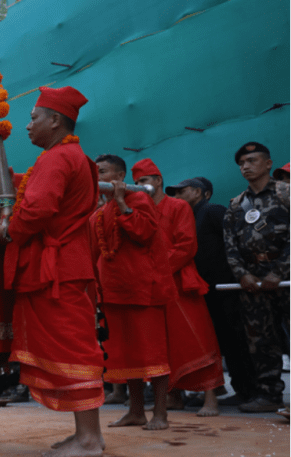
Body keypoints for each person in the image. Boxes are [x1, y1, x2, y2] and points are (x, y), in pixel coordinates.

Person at [0, 87, 104, 456]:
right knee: (71, 345)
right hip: (66, 263)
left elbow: (37, 211)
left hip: (58, 269)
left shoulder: (57, 158)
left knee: (73, 347)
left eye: (34, 117)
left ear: (55, 120)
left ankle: (89, 438)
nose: (27, 126)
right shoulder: (73, 156)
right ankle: (84, 434)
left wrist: (7, 231)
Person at [133, 159, 224, 417]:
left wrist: (156, 269)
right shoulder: (139, 210)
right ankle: (173, 397)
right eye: (137, 182)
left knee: (198, 338)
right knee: (163, 343)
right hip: (152, 284)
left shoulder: (178, 206)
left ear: (158, 180)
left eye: (145, 181)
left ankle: (211, 400)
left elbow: (187, 246)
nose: (141, 186)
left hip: (180, 281)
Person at [91, 155, 175, 431]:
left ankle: (160, 414)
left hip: (142, 291)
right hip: (113, 292)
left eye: (102, 171)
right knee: (126, 354)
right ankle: (135, 411)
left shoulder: (138, 199)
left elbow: (144, 231)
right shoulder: (101, 208)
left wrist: (122, 202)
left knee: (153, 353)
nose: (97, 175)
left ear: (120, 175)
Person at [167, 176, 257, 406]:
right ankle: (213, 388)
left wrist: (240, 273)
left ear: (199, 192)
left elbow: (233, 241)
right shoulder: (187, 216)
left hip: (224, 287)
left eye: (181, 191)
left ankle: (246, 391)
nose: (176, 197)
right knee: (212, 341)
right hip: (203, 289)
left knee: (233, 339)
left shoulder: (212, 210)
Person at [222, 142, 289, 413]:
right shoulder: (237, 204)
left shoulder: (286, 193)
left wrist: (280, 272)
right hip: (253, 283)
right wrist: (242, 275)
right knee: (261, 340)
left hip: (285, 278)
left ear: (269, 163)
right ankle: (269, 395)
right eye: (242, 163)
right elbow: (230, 246)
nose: (246, 167)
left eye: (252, 160)